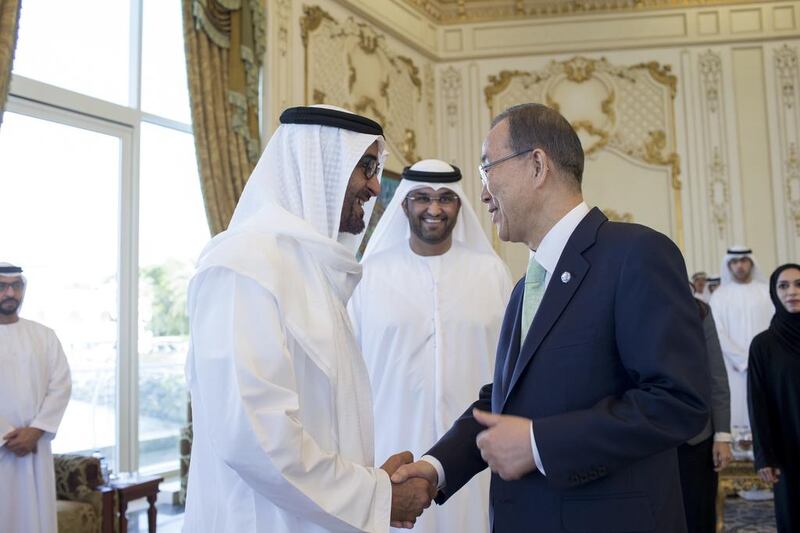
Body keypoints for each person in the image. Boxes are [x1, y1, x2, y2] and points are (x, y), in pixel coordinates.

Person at [391, 102, 709, 532]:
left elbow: (677, 403)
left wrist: (540, 444)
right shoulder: (527, 285)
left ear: (537, 165)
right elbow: (504, 400)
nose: (482, 193)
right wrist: (436, 467)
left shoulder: (636, 254)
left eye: (487, 170)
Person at [183, 106, 434, 533]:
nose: (375, 186)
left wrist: (370, 482)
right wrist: (375, 495)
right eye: (366, 167)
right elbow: (256, 439)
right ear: (318, 166)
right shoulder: (243, 266)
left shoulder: (313, 271)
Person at [349, 159, 513, 533]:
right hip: (391, 452)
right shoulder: (369, 275)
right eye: (422, 197)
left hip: (474, 454)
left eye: (445, 198)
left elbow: (513, 368)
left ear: (460, 206)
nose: (434, 208)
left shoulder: (491, 274)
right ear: (404, 203)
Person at [0, 263, 72, 533]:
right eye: (2, 286)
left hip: (35, 448)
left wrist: (37, 430)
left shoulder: (44, 336)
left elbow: (61, 385)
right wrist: (7, 434)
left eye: (16, 286)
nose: (10, 293)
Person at [748, 263, 800, 532]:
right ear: (774, 292)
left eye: (798, 284)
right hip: (787, 451)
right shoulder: (764, 345)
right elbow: (758, 403)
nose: (792, 291)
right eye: (783, 285)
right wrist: (764, 455)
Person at [677, 290, 733, 533]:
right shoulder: (631, 301)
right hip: (650, 437)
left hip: (697, 434)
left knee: (698, 514)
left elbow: (716, 375)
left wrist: (722, 435)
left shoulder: (699, 310)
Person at [709, 246, 773, 436]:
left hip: (765, 364)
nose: (739, 266)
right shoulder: (719, 296)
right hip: (732, 367)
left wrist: (758, 358)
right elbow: (717, 332)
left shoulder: (766, 292)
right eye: (735, 262)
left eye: (744, 261)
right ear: (728, 265)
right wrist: (742, 360)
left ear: (751, 263)